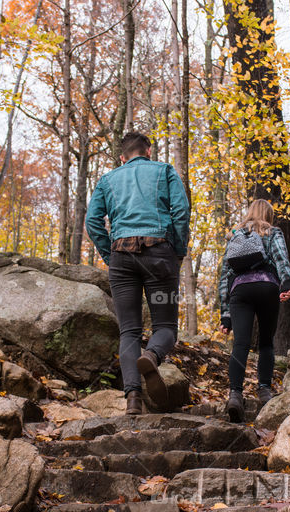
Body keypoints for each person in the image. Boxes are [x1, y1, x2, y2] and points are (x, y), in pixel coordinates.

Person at [86, 132, 190, 415]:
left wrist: (111, 255)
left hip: (122, 256)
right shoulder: (164, 170)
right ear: (149, 151)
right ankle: (151, 356)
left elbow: (92, 221)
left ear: (122, 157)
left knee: (128, 331)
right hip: (159, 254)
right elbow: (181, 211)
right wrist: (177, 251)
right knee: (165, 328)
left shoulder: (107, 180)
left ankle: (133, 398)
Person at [218, 199, 290, 423]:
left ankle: (235, 394)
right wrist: (287, 283)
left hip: (239, 290)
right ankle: (264, 391)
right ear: (268, 215)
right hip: (267, 287)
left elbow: (225, 274)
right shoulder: (272, 231)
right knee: (266, 342)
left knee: (240, 344)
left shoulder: (236, 235)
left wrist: (226, 313)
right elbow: (281, 257)